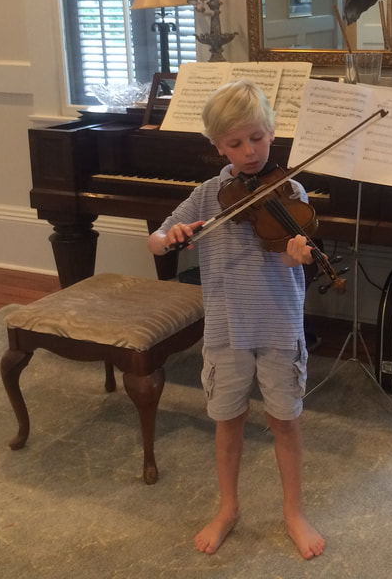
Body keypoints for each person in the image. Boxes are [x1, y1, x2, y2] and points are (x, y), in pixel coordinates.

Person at [147, 79, 326, 560]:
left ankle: (293, 511)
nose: (249, 151)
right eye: (235, 143)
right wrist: (172, 237)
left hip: (277, 326)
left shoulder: (290, 190)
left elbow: (293, 263)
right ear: (216, 145)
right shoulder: (208, 197)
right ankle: (228, 508)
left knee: (284, 420)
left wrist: (296, 256)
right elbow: (158, 239)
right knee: (228, 421)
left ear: (272, 132)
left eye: (258, 138)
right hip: (226, 329)